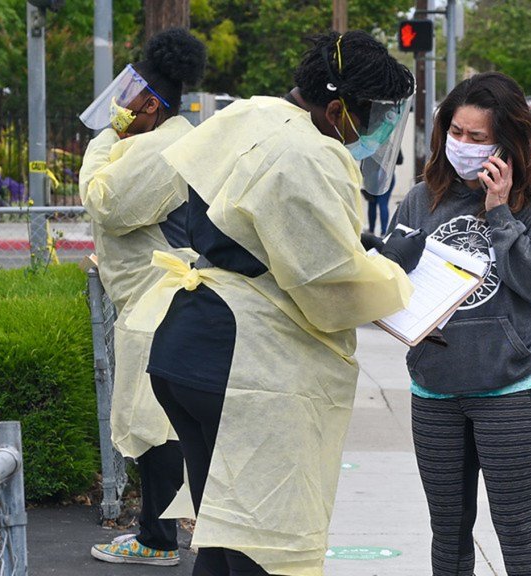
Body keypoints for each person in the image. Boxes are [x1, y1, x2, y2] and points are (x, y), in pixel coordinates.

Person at [126, 30, 424, 576]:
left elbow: (250, 224)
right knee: (266, 540)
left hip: (187, 344)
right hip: (244, 362)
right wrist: (392, 266)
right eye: (371, 117)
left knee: (222, 534)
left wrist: (348, 245)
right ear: (337, 109)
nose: (375, 130)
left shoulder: (251, 114)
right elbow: (330, 288)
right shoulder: (310, 153)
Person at [390, 71, 531, 576]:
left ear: (506, 144)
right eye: (456, 133)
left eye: (477, 137)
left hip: (509, 386)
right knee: (447, 530)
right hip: (434, 386)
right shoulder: (422, 198)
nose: (462, 145)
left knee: (516, 528)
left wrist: (498, 212)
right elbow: (393, 283)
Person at [79, 28, 207, 567]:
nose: (118, 109)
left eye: (126, 101)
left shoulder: (164, 147)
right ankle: (169, 533)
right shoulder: (163, 138)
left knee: (156, 427)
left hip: (162, 307)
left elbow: (105, 201)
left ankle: (157, 542)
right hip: (155, 304)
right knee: (162, 423)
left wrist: (102, 140)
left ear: (151, 106)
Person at [366, 150, 402, 235]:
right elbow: (400, 160)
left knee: (372, 203)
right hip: (388, 175)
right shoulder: (391, 144)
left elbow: (365, 163)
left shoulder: (372, 142)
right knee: (383, 203)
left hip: (372, 175)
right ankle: (384, 231)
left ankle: (371, 230)